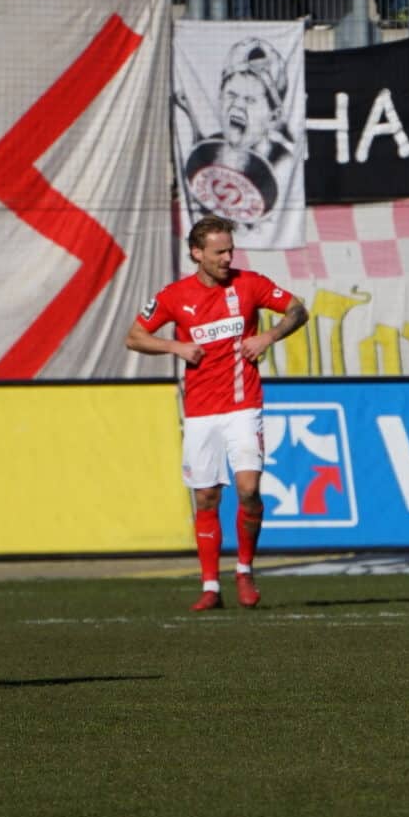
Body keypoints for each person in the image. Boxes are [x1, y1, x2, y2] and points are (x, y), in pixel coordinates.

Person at [124, 216, 308, 611]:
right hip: (201, 413)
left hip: (244, 406)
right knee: (206, 497)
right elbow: (134, 336)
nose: (228, 257)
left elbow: (298, 310)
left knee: (248, 489)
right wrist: (177, 348)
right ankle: (211, 585)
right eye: (219, 251)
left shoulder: (249, 284)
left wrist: (268, 336)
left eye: (230, 250)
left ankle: (244, 570)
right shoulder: (174, 296)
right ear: (197, 253)